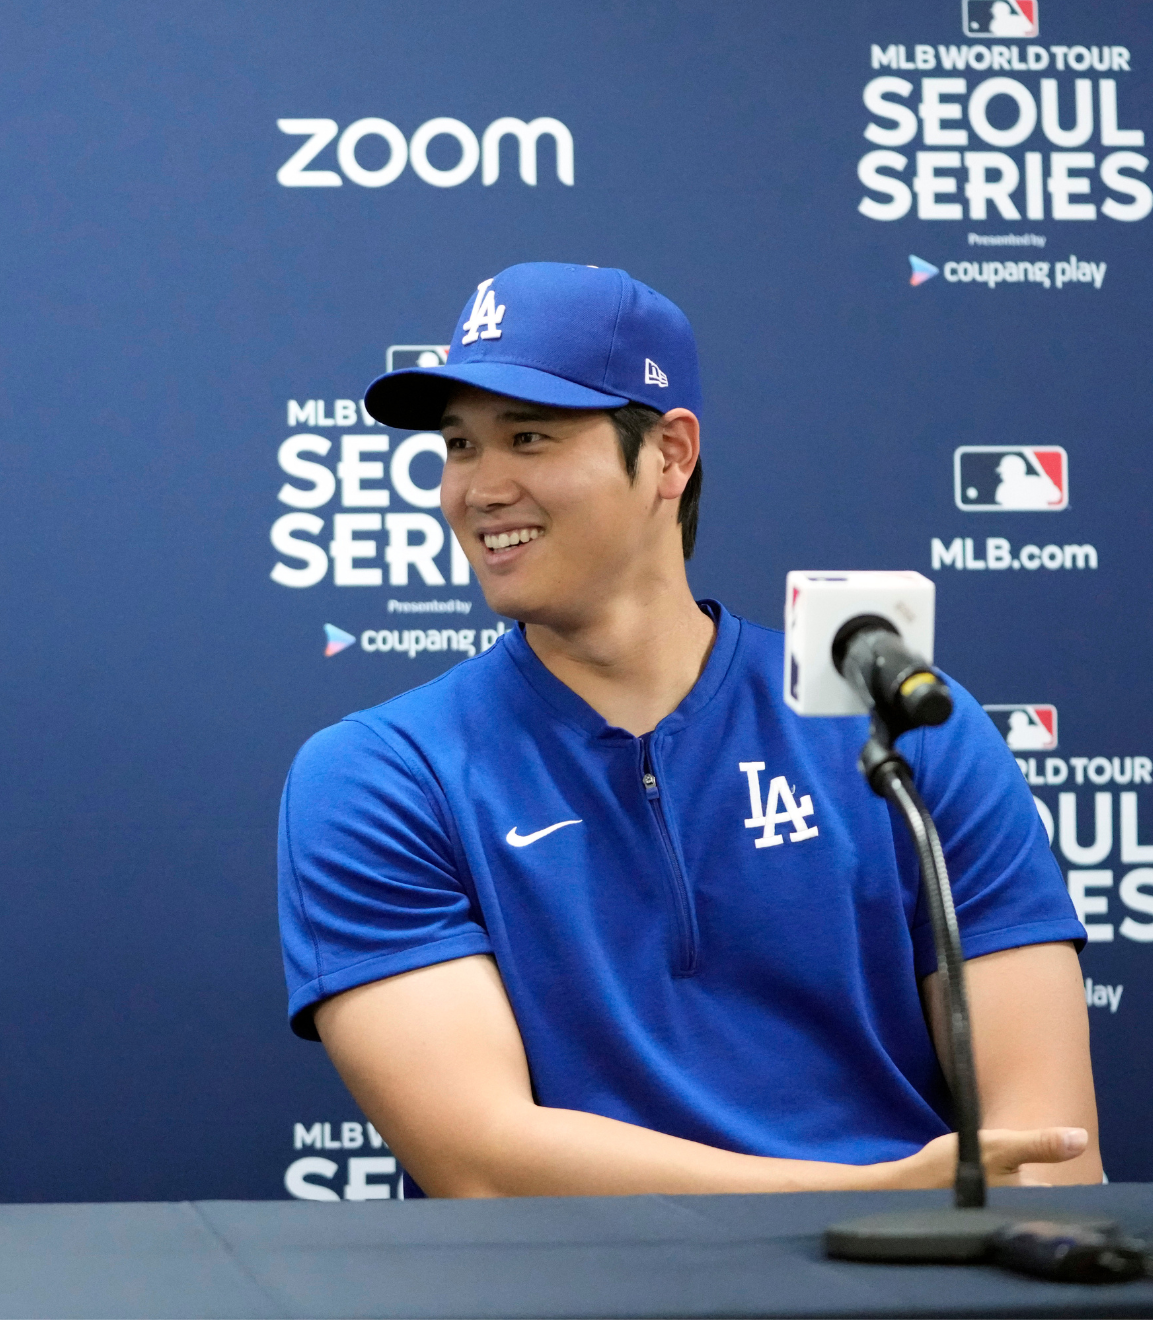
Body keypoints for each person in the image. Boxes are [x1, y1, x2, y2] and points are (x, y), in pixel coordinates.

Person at [277, 262, 1100, 1198]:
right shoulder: (380, 770)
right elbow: (483, 1165)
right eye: (459, 446)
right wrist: (861, 1200)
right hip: (573, 1292)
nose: (479, 489)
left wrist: (897, 1226)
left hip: (903, 1282)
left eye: (531, 437)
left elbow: (1050, 1158)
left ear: (670, 454)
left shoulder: (900, 723)